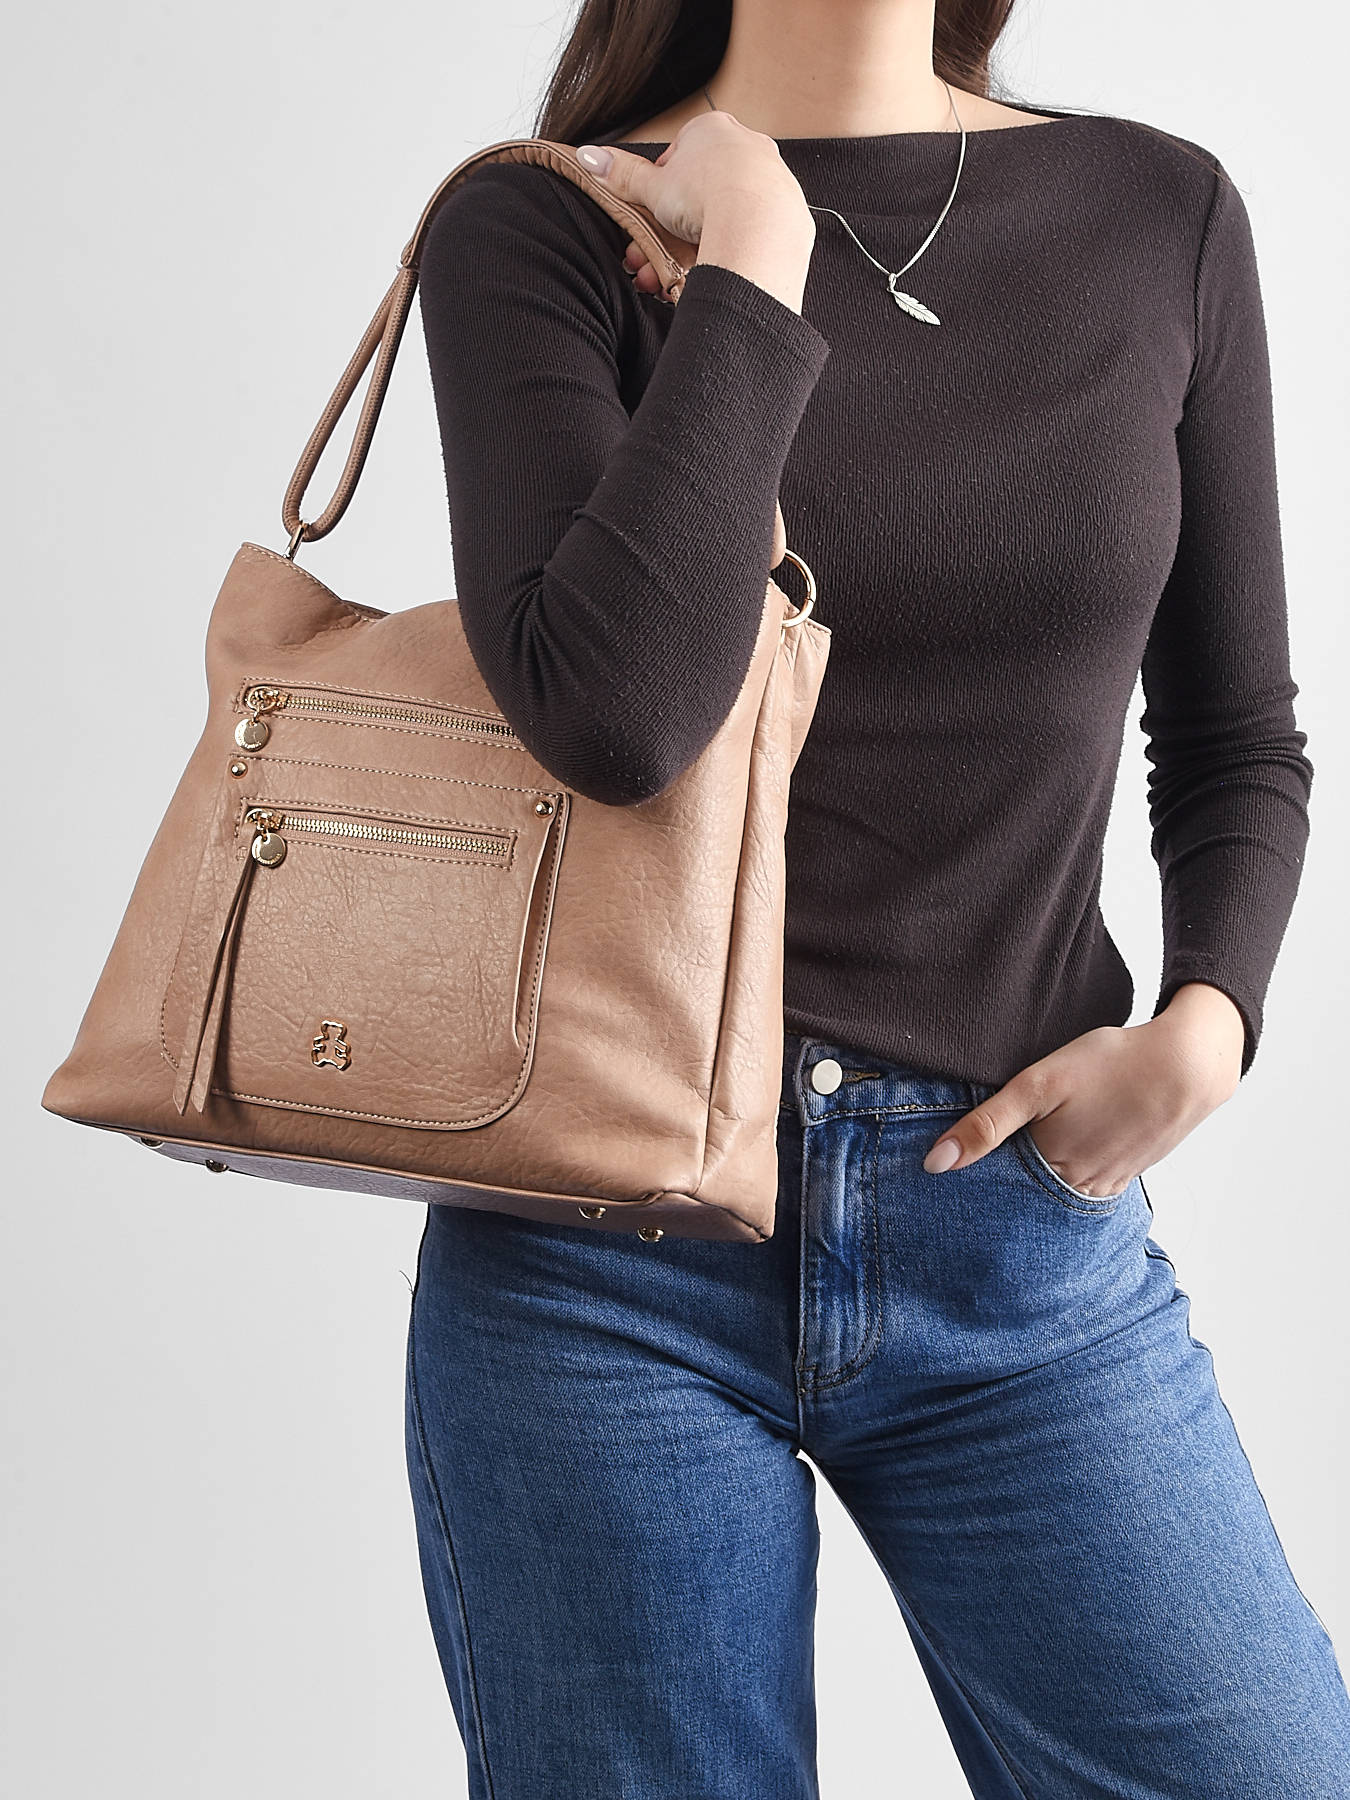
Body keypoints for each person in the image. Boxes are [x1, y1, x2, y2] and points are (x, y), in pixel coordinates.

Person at [403, 1, 1350, 1793]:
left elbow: (1235, 733)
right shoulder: (548, 222)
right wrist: (754, 261)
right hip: (605, 1256)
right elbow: (616, 714)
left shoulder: (1156, 214)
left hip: (1015, 1238)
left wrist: (1208, 1021)